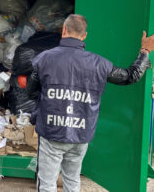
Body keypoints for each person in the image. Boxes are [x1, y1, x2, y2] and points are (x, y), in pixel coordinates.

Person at [26, 14, 154, 192]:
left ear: (64, 30)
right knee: (72, 180)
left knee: (46, 183)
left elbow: (31, 92)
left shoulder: (44, 59)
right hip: (81, 133)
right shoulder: (99, 64)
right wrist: (145, 52)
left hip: (51, 131)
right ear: (84, 36)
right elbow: (129, 76)